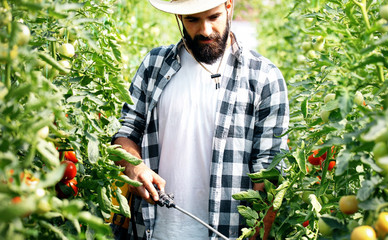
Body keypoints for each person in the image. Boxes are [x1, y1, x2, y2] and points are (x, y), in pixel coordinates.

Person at [111, 0, 289, 239]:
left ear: (229, 6)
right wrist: (134, 166)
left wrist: (258, 234)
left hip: (227, 232)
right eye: (193, 19)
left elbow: (269, 170)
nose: (205, 30)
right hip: (154, 230)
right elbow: (126, 130)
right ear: (179, 18)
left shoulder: (264, 76)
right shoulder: (154, 65)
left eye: (213, 17)